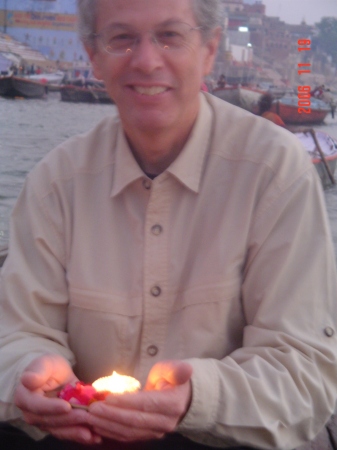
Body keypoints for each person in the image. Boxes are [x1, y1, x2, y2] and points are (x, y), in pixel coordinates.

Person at [0, 1, 337, 449]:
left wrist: (198, 396)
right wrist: (29, 369)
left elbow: (304, 370)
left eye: (170, 36)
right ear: (93, 56)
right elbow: (16, 332)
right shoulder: (55, 184)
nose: (146, 59)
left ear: (210, 49)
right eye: (122, 38)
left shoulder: (273, 172)